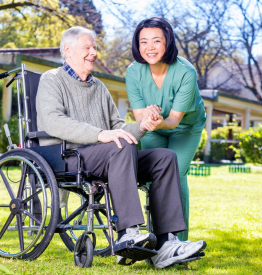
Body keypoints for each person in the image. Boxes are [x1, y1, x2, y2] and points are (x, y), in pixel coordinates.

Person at [36, 26, 206, 269]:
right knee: (120, 146)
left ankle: (165, 243)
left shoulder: (99, 87)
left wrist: (144, 125)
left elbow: (118, 127)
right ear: (68, 50)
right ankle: (128, 233)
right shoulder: (52, 79)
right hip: (68, 155)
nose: (94, 52)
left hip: (107, 155)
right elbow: (53, 121)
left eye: (94, 47)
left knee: (165, 158)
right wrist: (100, 134)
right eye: (87, 47)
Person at [126, 17, 206, 241]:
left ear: (168, 42)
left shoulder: (185, 72)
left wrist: (158, 120)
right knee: (154, 177)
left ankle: (178, 242)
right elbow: (140, 117)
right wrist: (150, 119)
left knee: (175, 174)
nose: (149, 47)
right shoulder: (133, 72)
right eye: (143, 42)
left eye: (156, 41)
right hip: (154, 129)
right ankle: (159, 239)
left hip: (185, 127)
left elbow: (173, 120)